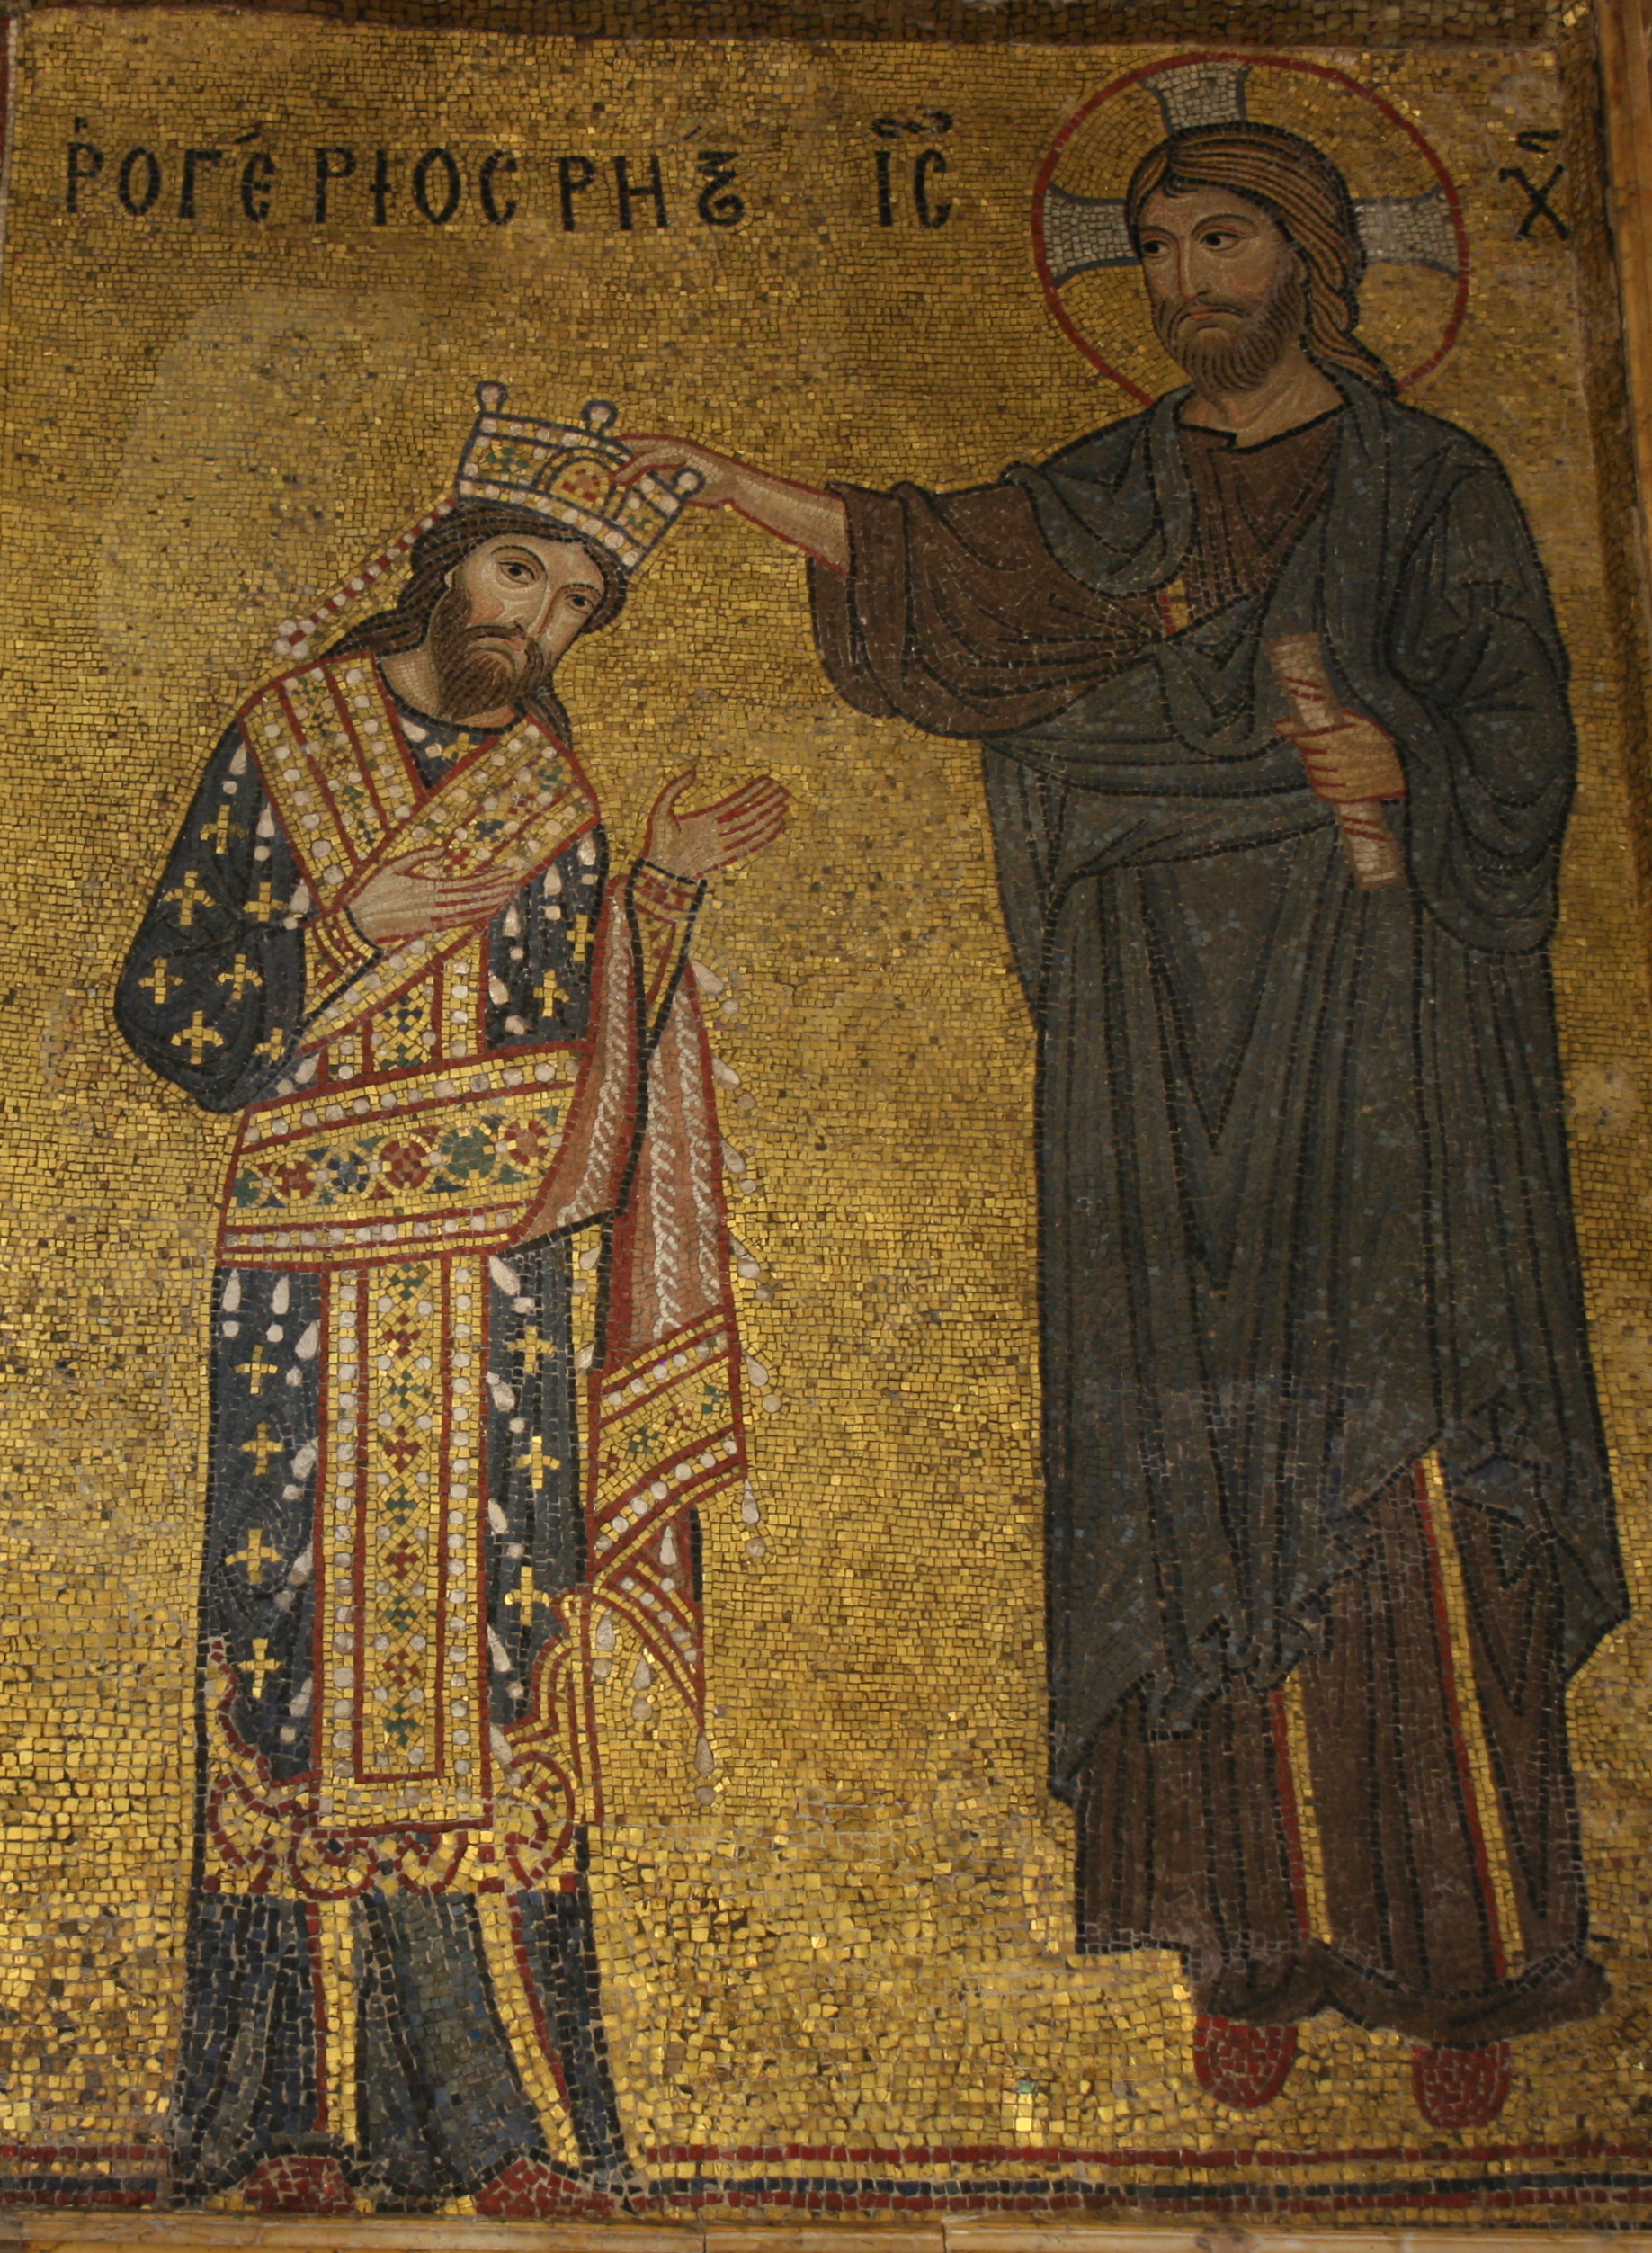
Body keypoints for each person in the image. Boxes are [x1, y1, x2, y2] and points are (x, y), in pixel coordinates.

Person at [619, 121, 1629, 2126]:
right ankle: (1240, 1939)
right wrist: (723, 486)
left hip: (1383, 1041)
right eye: (1160, 243)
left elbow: (1526, 738)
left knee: (1398, 1446)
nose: (1186, 276)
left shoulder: (1436, 487)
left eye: (1225, 233)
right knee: (1187, 1462)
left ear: (1312, 254)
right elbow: (957, 560)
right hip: (1154, 1039)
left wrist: (1399, 758)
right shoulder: (1132, 483)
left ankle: (1466, 1962)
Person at [117, 397, 787, 2210]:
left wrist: (658, 890)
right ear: (446, 557)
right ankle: (271, 2119)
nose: (535, 624)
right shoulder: (288, 742)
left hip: (486, 1285)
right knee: (285, 1673)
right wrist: (347, 926)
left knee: (482, 1680)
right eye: (518, 572)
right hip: (300, 1286)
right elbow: (170, 1015)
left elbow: (592, 1067)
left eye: (574, 602)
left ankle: (480, 2123)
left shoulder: (550, 797)